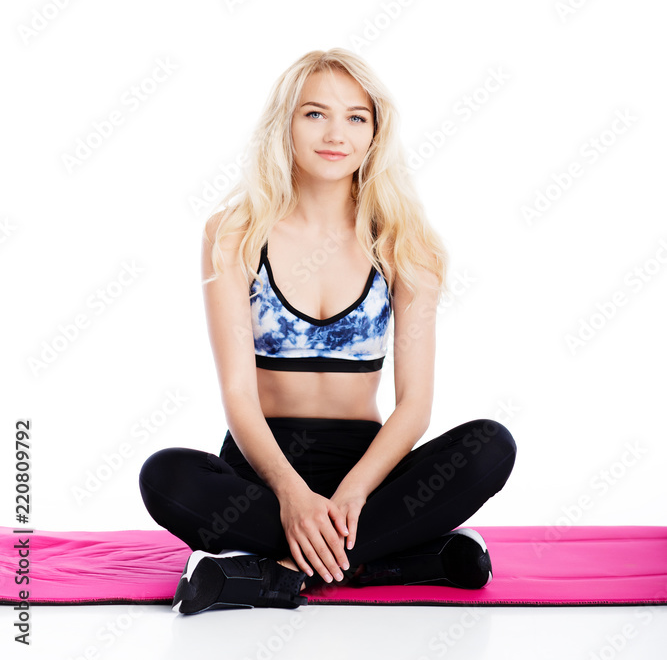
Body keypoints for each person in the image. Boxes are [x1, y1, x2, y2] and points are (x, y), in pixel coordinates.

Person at [138, 48, 517, 614]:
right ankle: (385, 560)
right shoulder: (235, 232)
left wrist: (351, 494)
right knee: (165, 475)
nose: (335, 132)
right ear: (284, 124)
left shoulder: (403, 242)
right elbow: (239, 394)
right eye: (314, 113)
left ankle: (274, 572)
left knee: (491, 446)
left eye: (356, 117)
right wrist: (291, 496)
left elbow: (414, 407)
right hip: (260, 468)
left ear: (375, 133)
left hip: (367, 475)